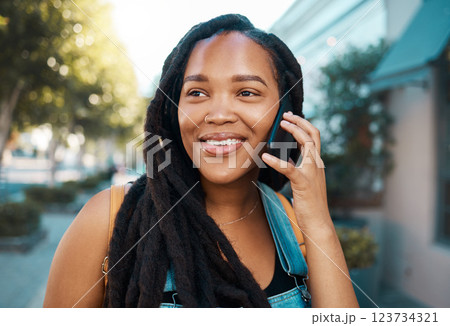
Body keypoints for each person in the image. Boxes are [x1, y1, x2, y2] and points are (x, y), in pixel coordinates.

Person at [43, 14, 359, 308]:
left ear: (284, 112)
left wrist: (318, 221)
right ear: (171, 109)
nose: (218, 114)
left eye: (247, 92)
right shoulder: (108, 218)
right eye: (197, 92)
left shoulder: (289, 220)